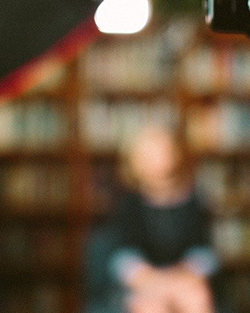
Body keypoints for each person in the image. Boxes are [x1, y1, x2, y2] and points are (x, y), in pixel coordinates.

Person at [87, 125, 219, 313]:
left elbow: (205, 251)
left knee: (196, 300)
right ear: (135, 162)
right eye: (148, 156)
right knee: (151, 307)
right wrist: (152, 281)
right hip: (144, 283)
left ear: (174, 154)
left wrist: (182, 276)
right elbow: (123, 255)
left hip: (185, 280)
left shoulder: (193, 200)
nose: (156, 161)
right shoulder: (128, 204)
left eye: (162, 152)